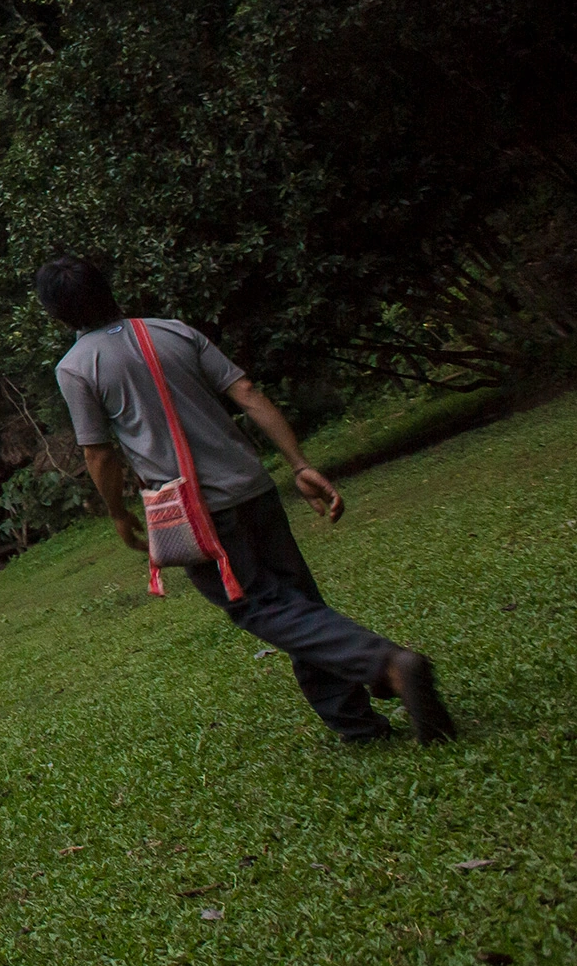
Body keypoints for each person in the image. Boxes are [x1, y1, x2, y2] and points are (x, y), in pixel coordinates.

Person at [35, 256, 455, 743]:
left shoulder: (75, 368)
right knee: (296, 604)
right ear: (107, 289)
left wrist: (117, 513)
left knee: (258, 606)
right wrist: (300, 464)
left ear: (55, 314)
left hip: (198, 513)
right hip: (253, 486)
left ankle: (386, 664)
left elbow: (99, 454)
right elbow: (248, 392)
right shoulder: (173, 330)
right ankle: (358, 727)